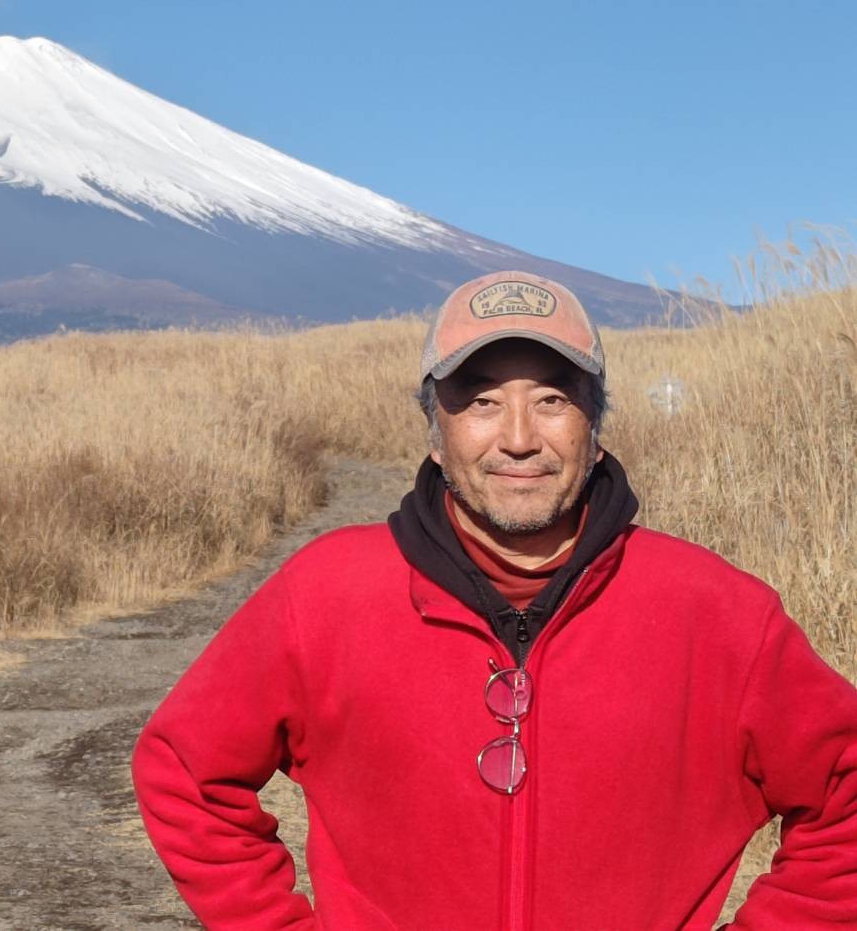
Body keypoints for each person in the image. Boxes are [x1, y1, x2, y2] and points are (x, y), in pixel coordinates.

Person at [130, 269, 857, 930]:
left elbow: (844, 790)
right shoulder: (325, 592)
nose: (517, 438)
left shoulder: (717, 612)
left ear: (594, 429)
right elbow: (184, 770)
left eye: (551, 400)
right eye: (480, 401)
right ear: (436, 433)